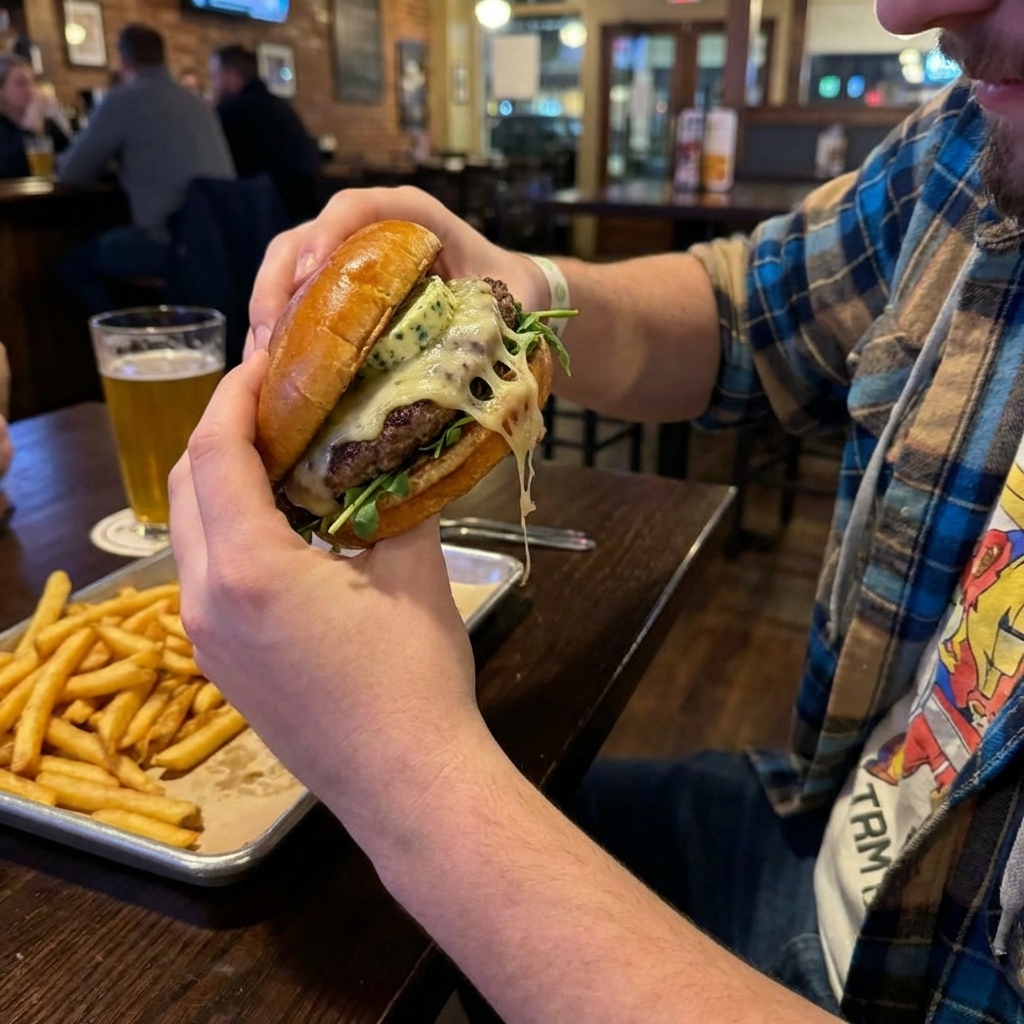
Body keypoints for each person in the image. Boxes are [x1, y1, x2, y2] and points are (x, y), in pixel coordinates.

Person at [169, 0, 1024, 1021]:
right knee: (315, 897)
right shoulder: (974, 138)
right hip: (824, 822)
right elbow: (742, 313)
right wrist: (520, 278)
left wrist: (408, 776)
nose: (904, 10)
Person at [58, 24, 235, 313]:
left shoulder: (123, 99)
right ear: (163, 57)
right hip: (220, 239)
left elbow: (71, 173)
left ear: (123, 60)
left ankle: (124, 338)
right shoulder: (196, 101)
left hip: (169, 242)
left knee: (73, 265)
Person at [209, 44, 320, 223]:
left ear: (230, 76)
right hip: (304, 211)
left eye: (215, 76)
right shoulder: (279, 105)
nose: (214, 83)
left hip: (267, 219)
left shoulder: (234, 110)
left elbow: (220, 170)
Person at [0, 54, 68, 179]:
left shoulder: (46, 122)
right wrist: (32, 125)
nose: (31, 89)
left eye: (33, 82)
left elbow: (71, 155)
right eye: (21, 83)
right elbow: (13, 170)